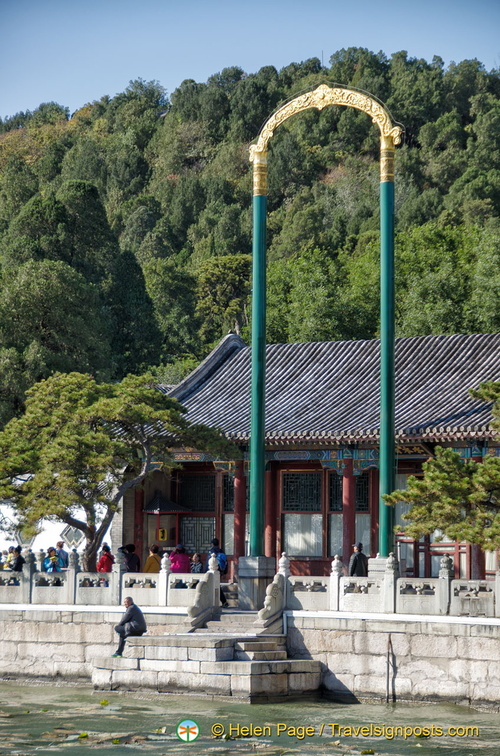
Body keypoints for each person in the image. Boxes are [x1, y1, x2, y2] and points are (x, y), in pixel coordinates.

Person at [206, 538, 228, 607]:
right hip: (219, 570)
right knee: (216, 585)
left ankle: (221, 602)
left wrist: (204, 571)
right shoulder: (221, 551)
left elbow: (208, 562)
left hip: (212, 570)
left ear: (212, 544)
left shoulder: (211, 551)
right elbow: (226, 562)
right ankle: (223, 602)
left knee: (214, 585)